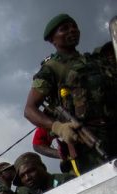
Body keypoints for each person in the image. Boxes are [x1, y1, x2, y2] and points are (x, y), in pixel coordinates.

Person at [24, 13, 117, 174]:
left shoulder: (95, 61)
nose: (72, 30)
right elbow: (29, 110)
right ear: (53, 39)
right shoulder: (52, 68)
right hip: (87, 140)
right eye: (64, 29)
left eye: (74, 26)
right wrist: (59, 128)